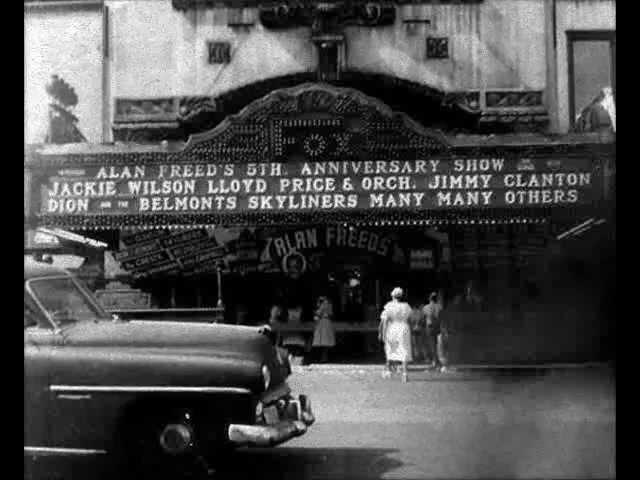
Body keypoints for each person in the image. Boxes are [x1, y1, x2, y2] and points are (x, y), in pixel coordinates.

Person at [378, 287, 413, 382]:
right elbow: (410, 320)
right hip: (404, 327)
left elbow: (385, 321)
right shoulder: (406, 306)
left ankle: (388, 370)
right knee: (404, 348)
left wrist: (383, 333)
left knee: (390, 348)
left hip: (393, 328)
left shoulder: (389, 306)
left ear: (393, 296)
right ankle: (405, 373)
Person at [422, 292, 443, 370]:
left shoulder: (425, 307)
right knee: (436, 344)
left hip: (429, 326)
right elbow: (440, 318)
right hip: (437, 327)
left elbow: (423, 318)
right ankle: (436, 361)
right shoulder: (439, 307)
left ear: (430, 298)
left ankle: (435, 361)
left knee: (432, 344)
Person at [312, 296, 336, 363]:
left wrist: (316, 314)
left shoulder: (324, 304)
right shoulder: (329, 304)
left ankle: (322, 358)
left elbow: (318, 314)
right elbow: (331, 314)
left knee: (322, 342)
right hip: (326, 323)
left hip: (323, 323)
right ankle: (324, 358)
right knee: (325, 342)